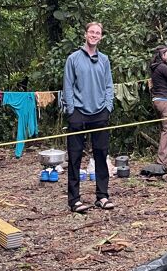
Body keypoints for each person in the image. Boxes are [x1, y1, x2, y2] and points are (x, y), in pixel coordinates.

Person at [62, 21, 114, 213]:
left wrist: (108, 106)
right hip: (78, 113)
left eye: (97, 33)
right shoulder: (73, 59)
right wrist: (71, 110)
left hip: (100, 112)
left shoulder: (104, 60)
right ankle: (74, 200)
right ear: (85, 34)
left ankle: (102, 196)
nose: (94, 35)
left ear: (101, 37)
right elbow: (68, 86)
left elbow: (109, 85)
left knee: (101, 154)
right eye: (91, 32)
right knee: (75, 157)